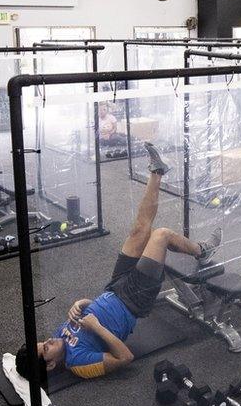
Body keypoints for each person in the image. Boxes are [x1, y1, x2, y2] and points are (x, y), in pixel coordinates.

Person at [15, 143, 222, 379]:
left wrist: (81, 303)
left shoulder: (59, 336)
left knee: (139, 230)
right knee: (161, 235)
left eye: (43, 341)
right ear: (50, 365)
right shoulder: (78, 363)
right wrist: (95, 327)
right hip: (133, 300)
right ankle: (203, 251)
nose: (50, 339)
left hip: (114, 286)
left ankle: (157, 171)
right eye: (46, 347)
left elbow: (92, 312)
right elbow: (125, 357)